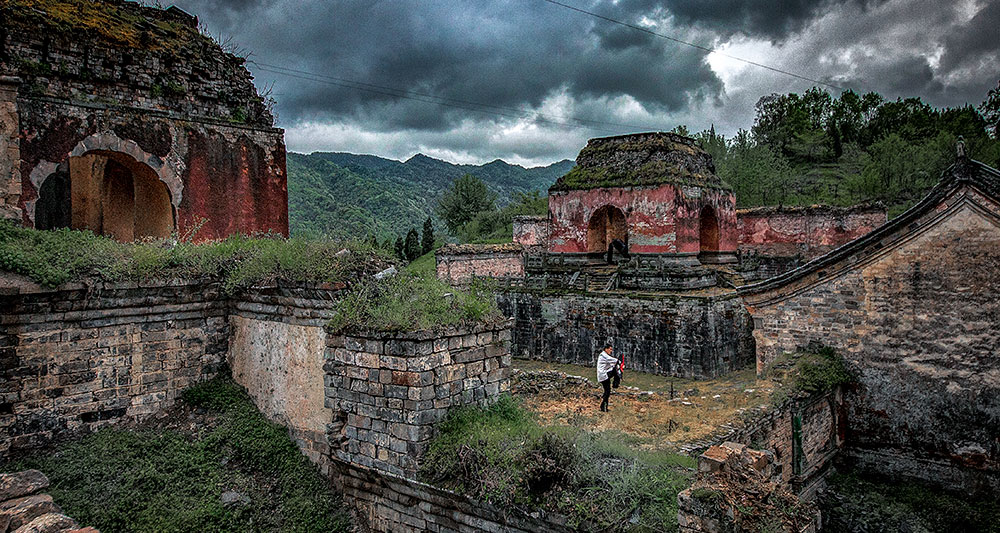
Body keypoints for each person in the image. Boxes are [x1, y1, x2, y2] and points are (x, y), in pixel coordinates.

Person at [596, 342, 618, 412]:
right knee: (607, 391)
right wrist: (620, 361)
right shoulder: (604, 355)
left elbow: (612, 364)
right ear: (606, 349)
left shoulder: (605, 356)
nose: (611, 351)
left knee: (607, 391)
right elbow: (614, 360)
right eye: (610, 349)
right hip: (603, 376)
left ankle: (604, 407)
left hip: (605, 375)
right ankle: (615, 384)